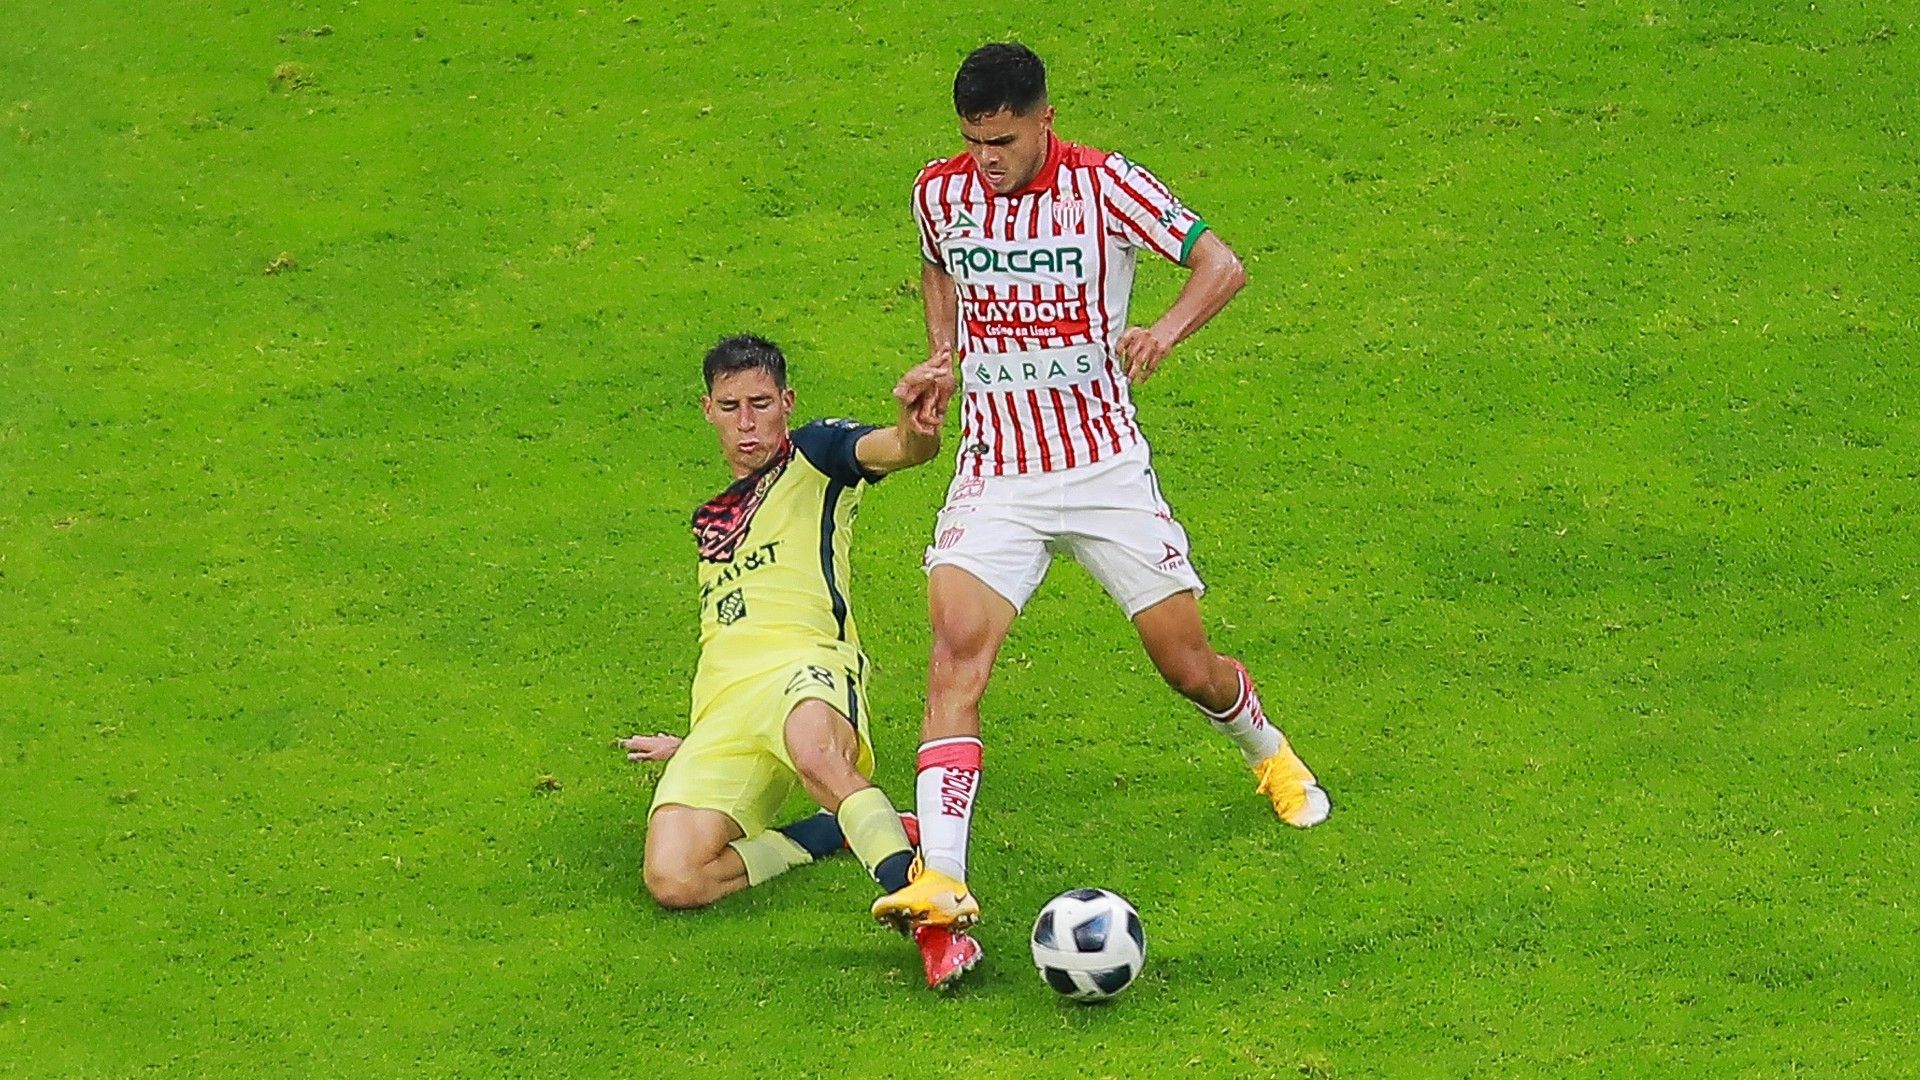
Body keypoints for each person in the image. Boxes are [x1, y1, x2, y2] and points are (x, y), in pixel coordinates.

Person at [873, 44, 1331, 934]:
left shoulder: (1106, 185)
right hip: (996, 469)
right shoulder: (941, 191)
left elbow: (1221, 264)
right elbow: (938, 261)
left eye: (1002, 139)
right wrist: (943, 354)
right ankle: (944, 881)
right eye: (972, 141)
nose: (986, 160)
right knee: (954, 652)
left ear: (1046, 118)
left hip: (1100, 467)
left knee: (1186, 667)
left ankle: (1270, 755)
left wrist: (1163, 330)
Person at [622, 333, 977, 988]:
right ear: (707, 410)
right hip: (725, 711)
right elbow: (726, 637)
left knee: (815, 749)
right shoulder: (712, 523)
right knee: (674, 876)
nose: (747, 422)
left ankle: (933, 916)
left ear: (786, 402)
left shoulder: (814, 458)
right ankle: (830, 831)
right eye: (730, 406)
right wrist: (694, 741)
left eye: (761, 402)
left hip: (807, 667)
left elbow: (898, 451)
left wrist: (915, 427)